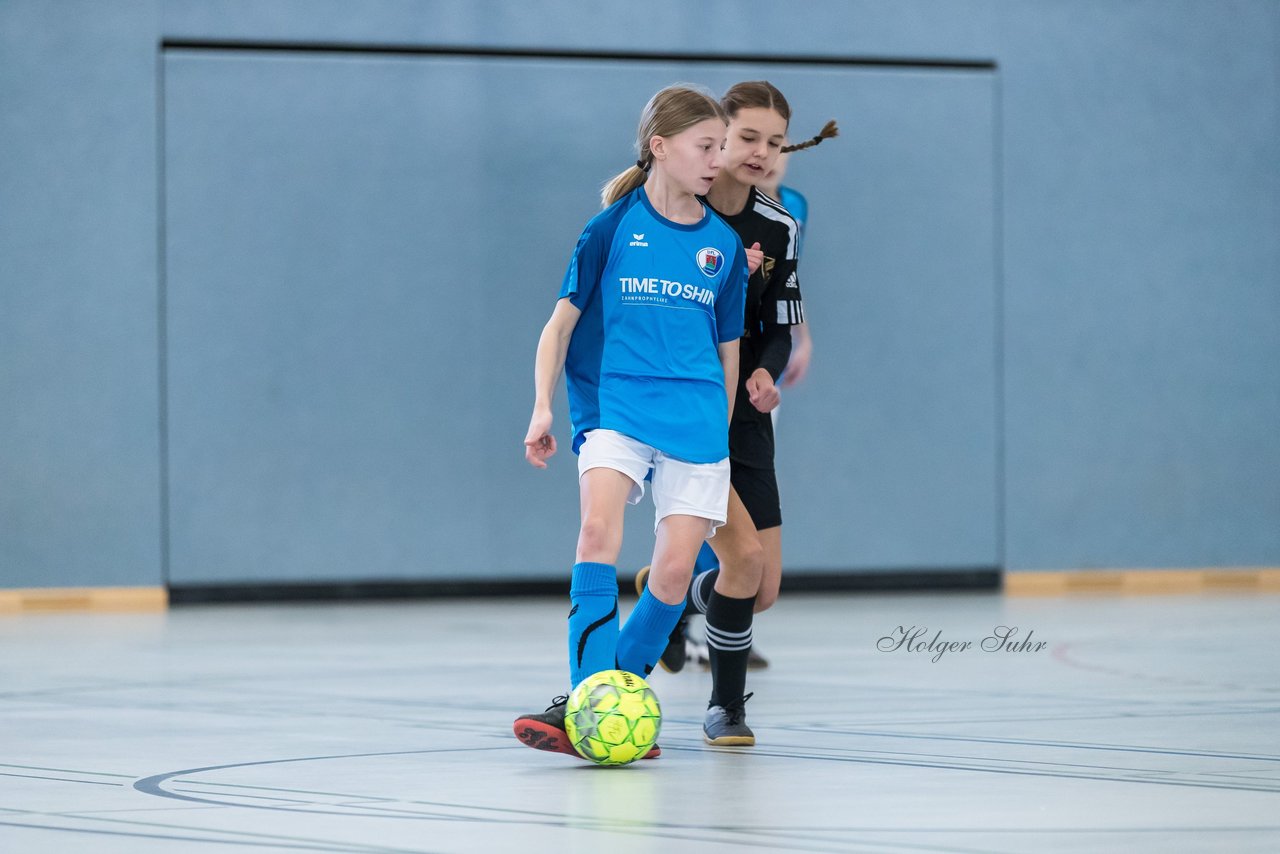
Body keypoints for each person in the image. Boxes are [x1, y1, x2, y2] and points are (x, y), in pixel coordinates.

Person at [512, 83, 749, 761]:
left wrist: (721, 433)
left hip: (697, 417)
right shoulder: (612, 228)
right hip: (617, 407)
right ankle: (590, 704)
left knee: (673, 576)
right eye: (707, 147)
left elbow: (726, 352)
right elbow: (559, 328)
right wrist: (542, 406)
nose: (717, 160)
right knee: (596, 530)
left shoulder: (724, 247)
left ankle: (616, 694)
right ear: (661, 148)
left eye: (721, 148)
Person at [636, 84, 837, 746]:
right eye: (748, 137)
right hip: (687, 411)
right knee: (742, 560)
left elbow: (781, 325)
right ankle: (727, 709)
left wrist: (763, 370)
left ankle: (664, 597)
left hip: (744, 417)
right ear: (718, 134)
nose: (760, 152)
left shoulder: (778, 227)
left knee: (761, 587)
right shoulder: (678, 213)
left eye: (775, 142)